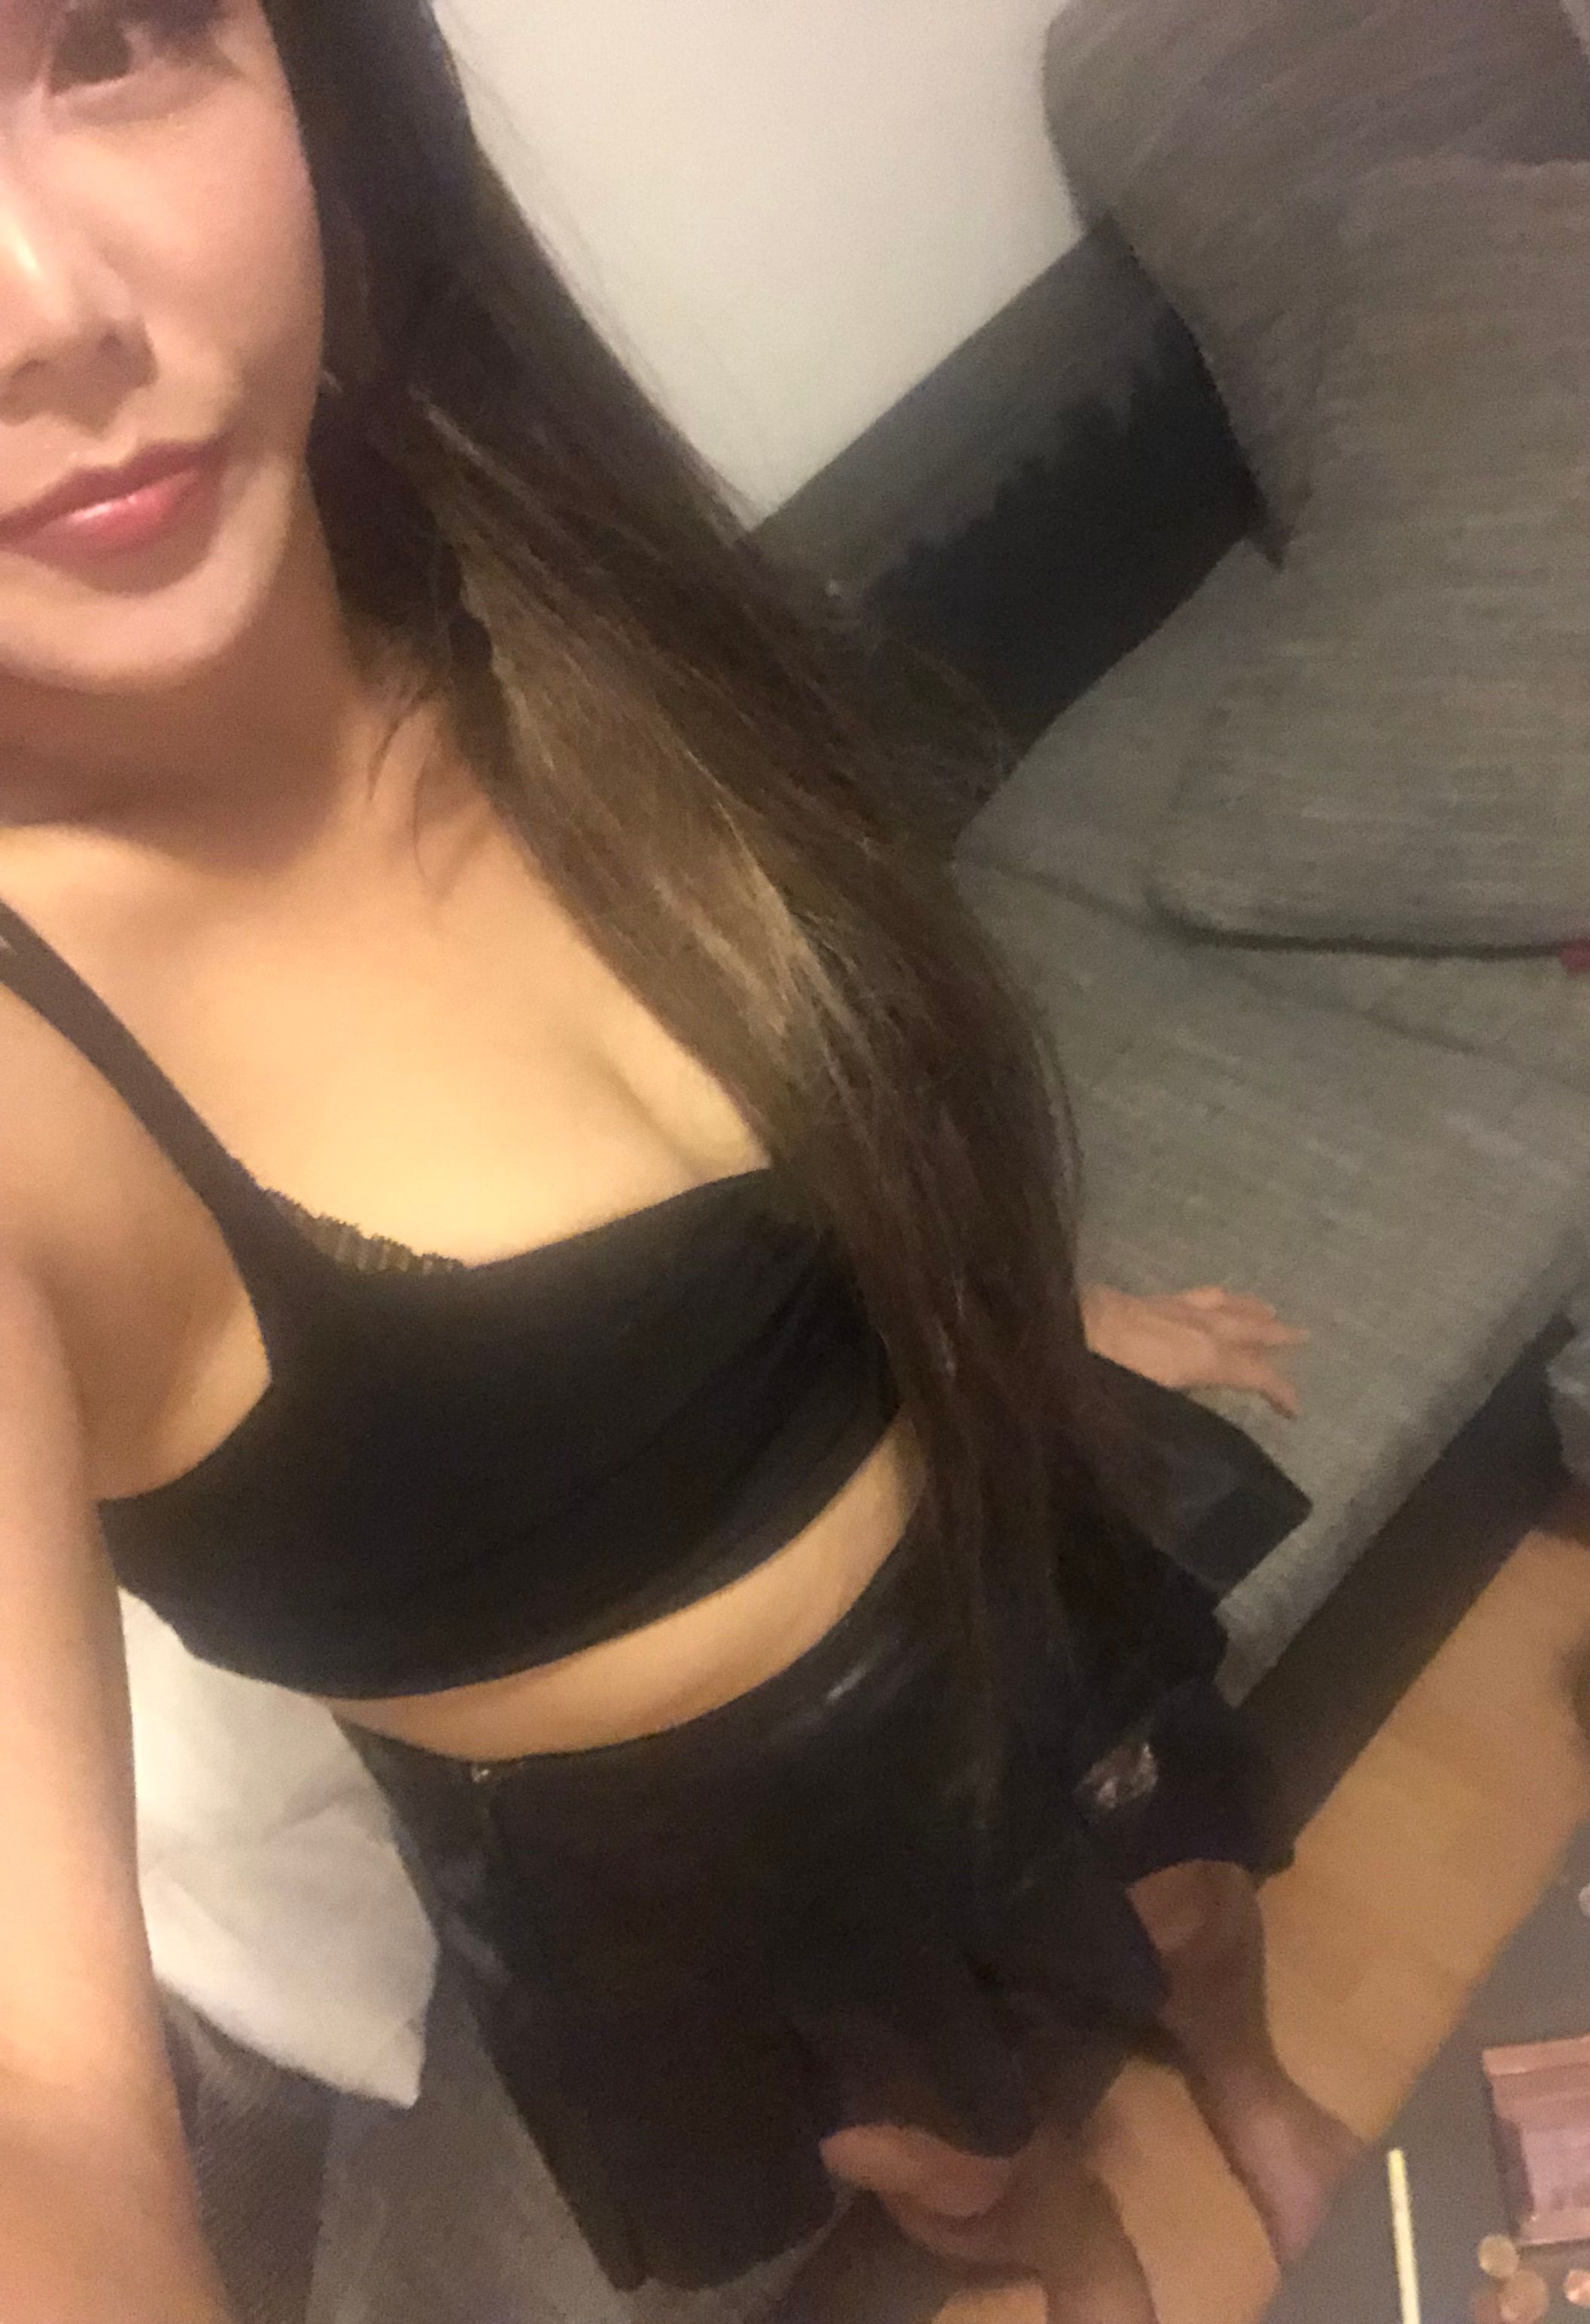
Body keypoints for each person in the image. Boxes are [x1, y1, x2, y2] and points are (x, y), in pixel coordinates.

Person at [0, 3, 1360, 2319]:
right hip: (681, 1857)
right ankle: (1083, 2254)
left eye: (112, 38)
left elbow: (806, 1179)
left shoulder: (551, 599)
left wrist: (1034, 1315)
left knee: (1193, 1896)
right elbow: (47, 2100)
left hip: (994, 1554)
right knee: (960, 2158)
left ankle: (1250, 2089)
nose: (46, 308)